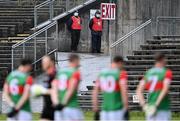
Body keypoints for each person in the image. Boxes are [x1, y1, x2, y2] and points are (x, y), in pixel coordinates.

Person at [136, 53, 173, 121]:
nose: (166, 61)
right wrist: (156, 105)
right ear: (162, 59)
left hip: (150, 108)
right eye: (165, 59)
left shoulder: (148, 73)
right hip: (162, 108)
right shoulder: (167, 72)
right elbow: (165, 89)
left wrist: (144, 106)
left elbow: (138, 91)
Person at [92, 56, 128, 120]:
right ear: (119, 63)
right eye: (122, 64)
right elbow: (124, 92)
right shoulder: (121, 73)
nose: (122, 66)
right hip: (117, 110)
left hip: (105, 111)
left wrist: (96, 108)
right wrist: (126, 108)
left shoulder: (102, 73)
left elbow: (95, 92)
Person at [51, 54, 84, 121]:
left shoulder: (60, 72)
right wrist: (63, 103)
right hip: (71, 106)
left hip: (59, 108)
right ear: (76, 61)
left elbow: (53, 89)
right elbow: (71, 89)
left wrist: (56, 103)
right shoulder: (76, 72)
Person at [37, 56, 56, 121]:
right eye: (43, 62)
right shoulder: (46, 76)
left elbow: (57, 91)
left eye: (45, 62)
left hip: (55, 108)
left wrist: (42, 91)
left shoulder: (55, 75)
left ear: (52, 63)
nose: (43, 64)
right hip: (47, 107)